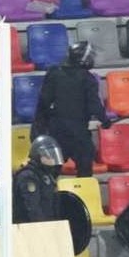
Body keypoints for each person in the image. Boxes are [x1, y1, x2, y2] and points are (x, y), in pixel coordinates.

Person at [30, 42, 108, 177]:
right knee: (85, 171)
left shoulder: (54, 73)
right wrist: (105, 120)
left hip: (56, 130)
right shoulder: (87, 79)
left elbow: (44, 102)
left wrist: (39, 125)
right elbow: (94, 105)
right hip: (79, 132)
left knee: (51, 172)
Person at [13, 135, 65, 223]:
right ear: (39, 156)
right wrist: (43, 228)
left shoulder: (45, 173)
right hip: (31, 227)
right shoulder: (28, 176)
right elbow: (32, 207)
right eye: (49, 156)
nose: (53, 160)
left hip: (48, 223)